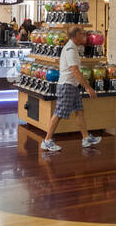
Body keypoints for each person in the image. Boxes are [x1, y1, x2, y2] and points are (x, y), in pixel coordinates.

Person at [40, 25, 102, 153]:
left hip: (72, 86)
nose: (85, 36)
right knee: (58, 113)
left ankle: (85, 138)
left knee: (79, 111)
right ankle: (46, 141)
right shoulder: (70, 50)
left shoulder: (73, 48)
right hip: (66, 86)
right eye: (82, 34)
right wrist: (88, 88)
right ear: (75, 36)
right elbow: (75, 71)